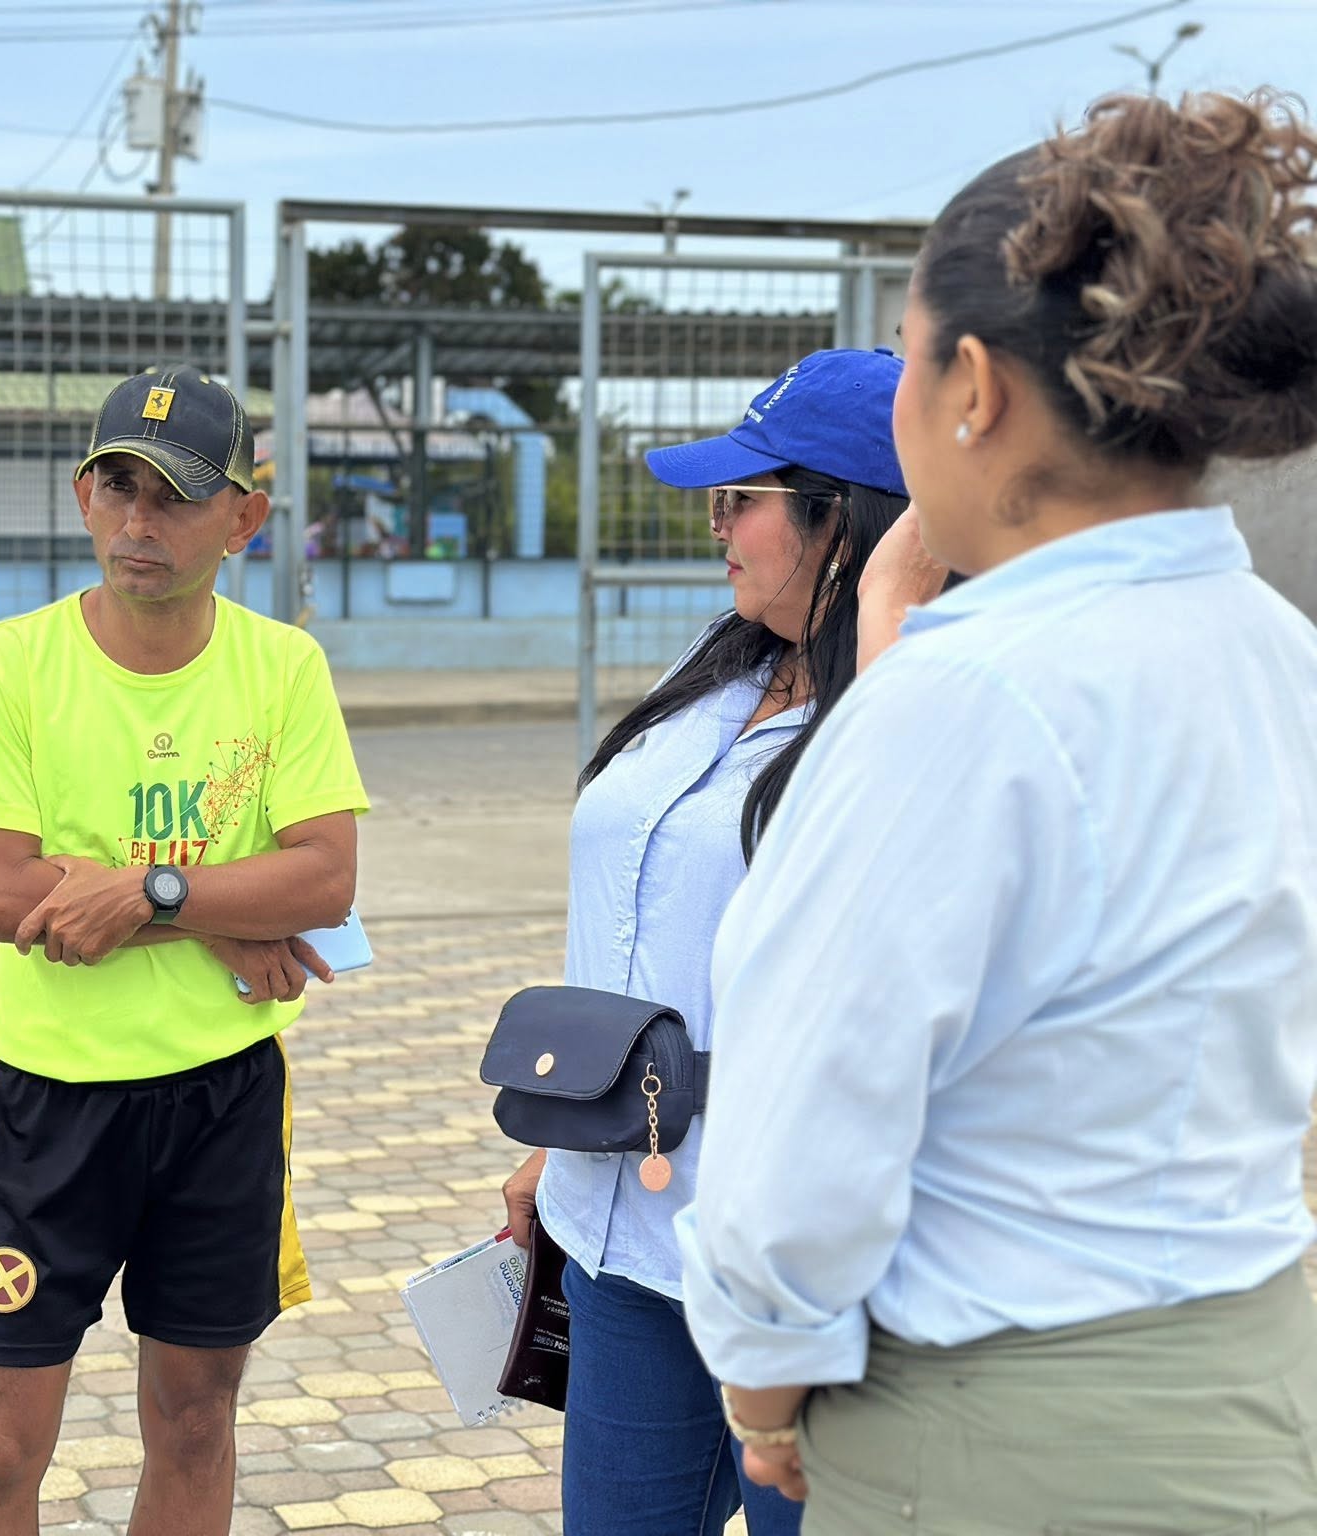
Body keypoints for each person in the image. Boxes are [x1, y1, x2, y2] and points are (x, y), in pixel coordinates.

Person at [680, 89, 1317, 1534]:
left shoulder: (962, 701)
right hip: (1254, 1379)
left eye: (909, 358)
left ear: (970, 386)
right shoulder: (1278, 655)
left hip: (1002, 1426)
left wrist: (764, 1393)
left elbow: (795, 1149)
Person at [0, 366, 368, 1536]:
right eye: (117, 487)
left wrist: (138, 890)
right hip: (45, 1106)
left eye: (174, 496)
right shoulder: (10, 664)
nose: (138, 522)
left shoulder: (282, 668)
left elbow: (324, 879)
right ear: (82, 497)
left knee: (194, 1422)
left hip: (223, 1098)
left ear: (243, 518)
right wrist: (217, 911)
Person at [499, 349, 911, 1535]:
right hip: (617, 1231)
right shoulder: (718, 661)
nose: (715, 525)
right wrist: (567, 1132)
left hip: (801, 1264)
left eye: (742, 499)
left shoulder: (911, 714)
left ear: (845, 522)